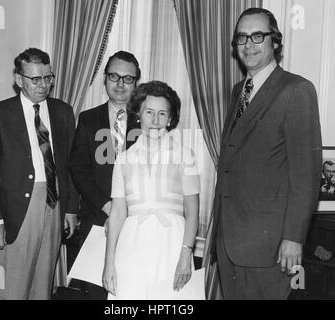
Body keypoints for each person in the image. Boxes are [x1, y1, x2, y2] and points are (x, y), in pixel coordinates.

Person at [207, 8, 322, 300]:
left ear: (275, 42)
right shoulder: (238, 91)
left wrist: (293, 239)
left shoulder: (297, 90)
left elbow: (305, 176)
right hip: (229, 241)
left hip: (270, 246)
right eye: (242, 37)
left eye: (257, 36)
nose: (248, 44)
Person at [0, 48, 79, 300]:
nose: (43, 85)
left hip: (53, 204)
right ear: (18, 79)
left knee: (43, 286)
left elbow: (69, 166)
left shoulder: (63, 112)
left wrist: (71, 209)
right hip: (16, 210)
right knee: (13, 288)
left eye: (47, 77)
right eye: (35, 79)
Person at [102, 81, 200, 300]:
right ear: (138, 114)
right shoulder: (124, 159)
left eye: (162, 114)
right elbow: (118, 213)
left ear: (171, 118)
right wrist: (109, 263)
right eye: (149, 112)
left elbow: (192, 211)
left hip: (171, 246)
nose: (155, 121)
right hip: (131, 246)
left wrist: (186, 254)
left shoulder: (185, 155)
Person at [69, 51, 141, 299]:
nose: (120, 84)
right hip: (97, 218)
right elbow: (78, 169)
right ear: (105, 79)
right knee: (97, 289)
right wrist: (108, 206)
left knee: (130, 289)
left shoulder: (147, 120)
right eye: (114, 76)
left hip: (137, 220)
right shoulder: (88, 119)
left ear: (136, 83)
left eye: (127, 78)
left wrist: (128, 209)